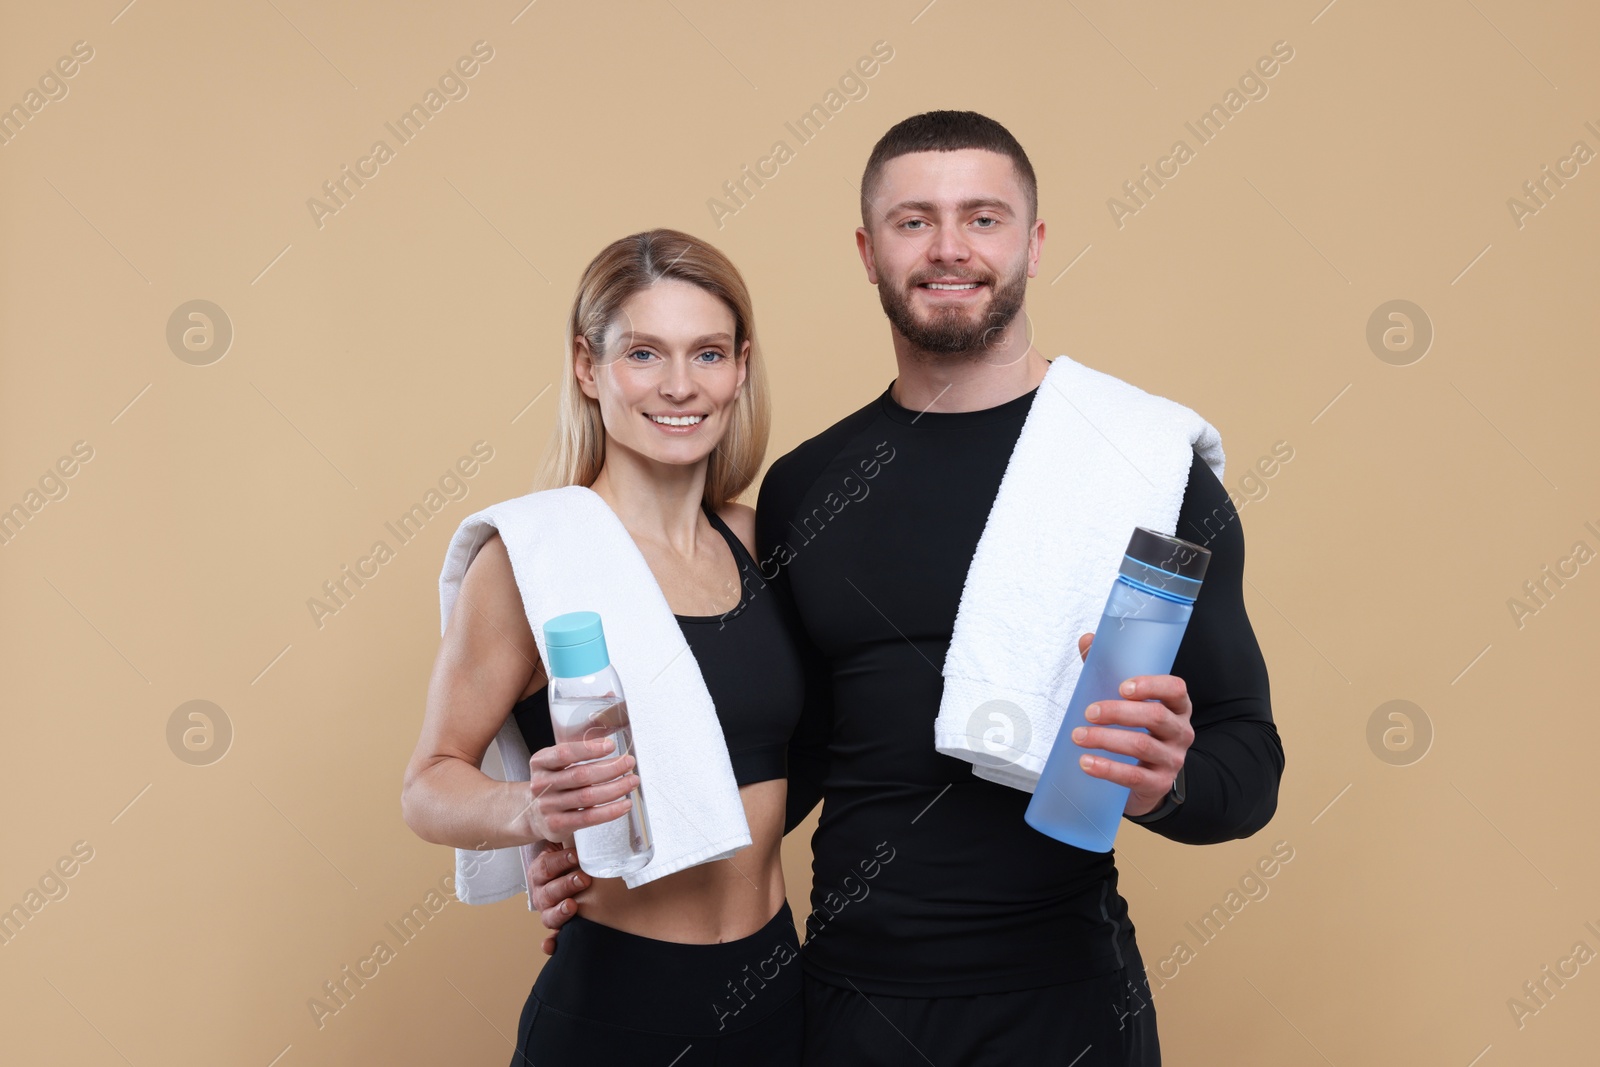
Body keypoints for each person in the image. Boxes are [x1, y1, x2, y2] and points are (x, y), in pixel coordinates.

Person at [533, 112, 1286, 1066]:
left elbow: (1249, 761)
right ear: (868, 249)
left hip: (1066, 998)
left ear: (1035, 242)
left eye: (983, 218)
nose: (949, 249)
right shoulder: (807, 488)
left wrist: (1164, 784)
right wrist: (605, 856)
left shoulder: (1145, 468)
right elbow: (785, 748)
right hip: (854, 1002)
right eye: (913, 221)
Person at [401, 228, 814, 1065]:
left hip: (778, 993)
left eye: (706, 353)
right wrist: (534, 815)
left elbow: (777, 759)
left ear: (740, 368)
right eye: (643, 354)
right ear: (589, 368)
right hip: (616, 1011)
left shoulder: (759, 541)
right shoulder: (533, 557)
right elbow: (428, 783)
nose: (678, 385)